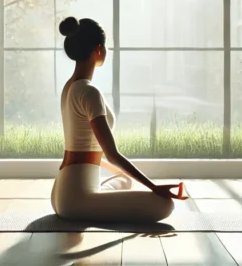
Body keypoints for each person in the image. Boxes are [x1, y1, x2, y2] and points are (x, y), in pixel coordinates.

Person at [50, 16, 185, 223]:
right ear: (98, 49)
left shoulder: (70, 87)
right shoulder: (88, 91)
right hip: (76, 200)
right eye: (105, 47)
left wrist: (135, 177)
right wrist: (153, 187)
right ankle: (94, 202)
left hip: (61, 193)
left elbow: (89, 153)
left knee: (125, 180)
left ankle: (100, 196)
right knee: (164, 205)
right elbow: (112, 154)